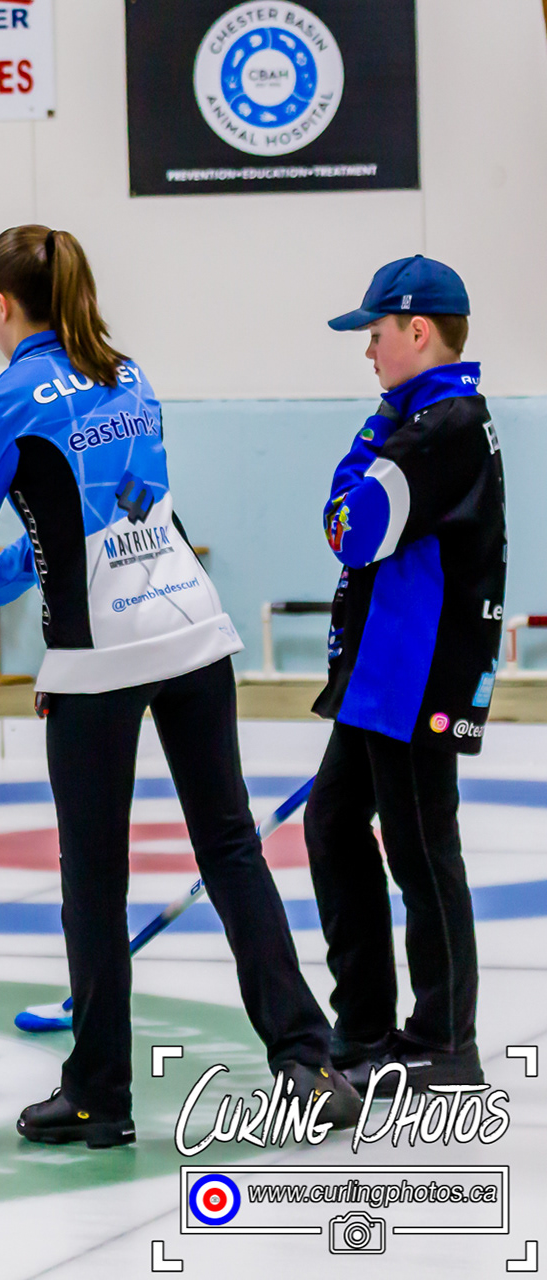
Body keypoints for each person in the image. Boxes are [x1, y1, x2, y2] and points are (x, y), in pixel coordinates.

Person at [0, 225, 360, 1147]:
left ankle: (98, 1096)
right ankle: (308, 1060)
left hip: (101, 659)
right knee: (231, 848)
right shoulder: (130, 375)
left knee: (94, 877)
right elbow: (92, 525)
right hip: (193, 629)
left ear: (1, 305)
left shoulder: (6, 401)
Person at [306, 256, 503, 1091]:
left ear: (417, 331)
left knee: (422, 852)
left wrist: (357, 468)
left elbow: (353, 525)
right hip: (383, 674)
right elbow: (353, 513)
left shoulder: (445, 422)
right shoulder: (412, 416)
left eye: (376, 334)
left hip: (418, 675)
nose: (369, 352)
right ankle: (365, 1022)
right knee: (332, 823)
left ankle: (444, 1041)